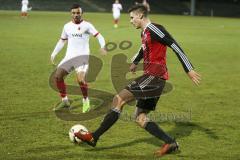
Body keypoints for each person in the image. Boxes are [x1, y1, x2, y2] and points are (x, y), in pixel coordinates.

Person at [74, 4, 201, 157]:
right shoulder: (145, 32)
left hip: (154, 76)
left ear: (141, 16)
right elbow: (144, 48)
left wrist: (189, 69)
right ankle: (170, 142)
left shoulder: (155, 29)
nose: (130, 21)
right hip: (155, 78)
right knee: (140, 117)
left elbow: (175, 45)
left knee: (119, 99)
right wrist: (135, 61)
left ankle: (94, 137)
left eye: (132, 17)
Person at [50, 4, 107, 113]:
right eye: (74, 13)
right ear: (71, 14)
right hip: (69, 56)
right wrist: (54, 53)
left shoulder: (87, 25)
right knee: (58, 76)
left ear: (81, 13)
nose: (76, 15)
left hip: (82, 57)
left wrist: (103, 46)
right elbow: (62, 40)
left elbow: (99, 36)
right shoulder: (66, 26)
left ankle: (86, 101)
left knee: (80, 80)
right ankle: (65, 101)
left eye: (78, 13)